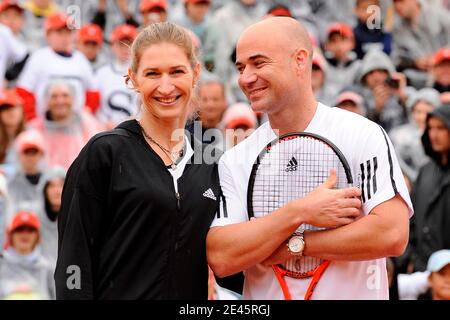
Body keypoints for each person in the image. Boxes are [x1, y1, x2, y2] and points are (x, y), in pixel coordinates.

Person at [207, 17, 412, 300]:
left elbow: (392, 233)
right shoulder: (235, 158)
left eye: (259, 63)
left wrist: (299, 243)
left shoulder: (363, 134)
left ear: (300, 60)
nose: (245, 78)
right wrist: (300, 212)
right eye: (241, 67)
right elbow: (221, 255)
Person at [55, 21, 221, 300]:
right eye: (152, 74)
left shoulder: (211, 162)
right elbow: (73, 263)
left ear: (195, 74)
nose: (166, 87)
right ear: (133, 78)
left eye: (176, 71)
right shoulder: (104, 153)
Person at [16, 12, 99, 120]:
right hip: (45, 123)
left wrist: (86, 116)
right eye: (60, 32)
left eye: (68, 32)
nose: (65, 37)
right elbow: (24, 92)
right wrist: (33, 119)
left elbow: (93, 94)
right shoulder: (39, 57)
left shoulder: (81, 59)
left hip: (75, 125)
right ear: (48, 35)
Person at [407, 105, 450, 272]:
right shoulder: (426, 171)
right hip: (421, 272)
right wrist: (410, 259)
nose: (434, 134)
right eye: (430, 128)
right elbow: (410, 218)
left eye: (441, 128)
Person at [28, 80, 103, 170]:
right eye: (54, 96)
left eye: (65, 95)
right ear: (46, 100)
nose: (60, 101)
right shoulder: (35, 128)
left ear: (73, 98)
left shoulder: (88, 123)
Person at [0, 210, 55, 300]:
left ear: (37, 236)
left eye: (30, 230)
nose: (25, 234)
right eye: (20, 229)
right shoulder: (2, 265)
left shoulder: (47, 268)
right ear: (11, 235)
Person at [389, 88, 441, 183]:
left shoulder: (444, 134)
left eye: (427, 112)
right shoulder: (398, 134)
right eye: (418, 112)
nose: (422, 117)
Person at [95, 24, 139, 128]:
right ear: (112, 46)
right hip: (106, 129)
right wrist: (104, 122)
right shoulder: (101, 73)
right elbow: (95, 105)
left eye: (129, 43)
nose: (125, 48)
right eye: (121, 44)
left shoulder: (142, 72)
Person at [0, 88, 26, 178]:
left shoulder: (32, 134)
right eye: (5, 108)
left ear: (21, 109)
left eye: (13, 107)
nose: (10, 112)